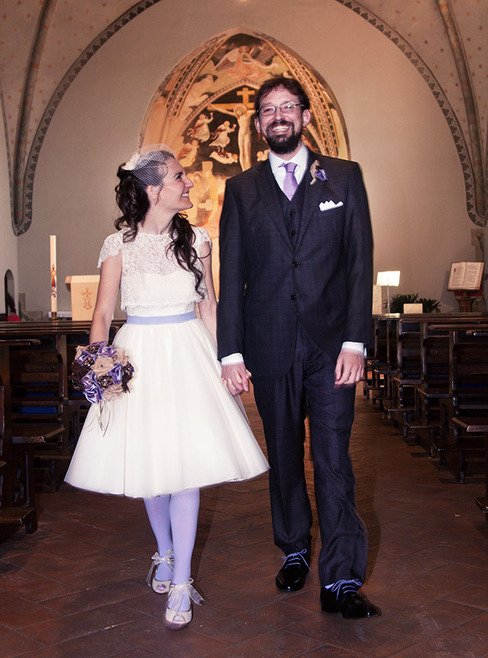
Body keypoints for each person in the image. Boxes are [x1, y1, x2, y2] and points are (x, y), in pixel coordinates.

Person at [65, 145, 268, 630]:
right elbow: (102, 313)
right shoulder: (118, 245)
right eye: (180, 176)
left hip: (189, 354)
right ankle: (165, 551)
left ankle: (181, 582)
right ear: (154, 189)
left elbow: (209, 306)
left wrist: (229, 360)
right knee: (150, 468)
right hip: (138, 357)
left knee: (187, 470)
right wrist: (99, 364)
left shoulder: (197, 239)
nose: (189, 182)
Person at [217, 77, 380, 619]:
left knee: (333, 457)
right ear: (259, 123)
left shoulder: (344, 177)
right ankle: (293, 548)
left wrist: (356, 341)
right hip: (268, 344)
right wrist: (231, 352)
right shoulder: (241, 190)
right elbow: (232, 276)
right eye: (269, 110)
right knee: (284, 454)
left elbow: (359, 263)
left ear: (306, 117)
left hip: (332, 346)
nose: (279, 116)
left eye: (288, 107)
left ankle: (342, 577)